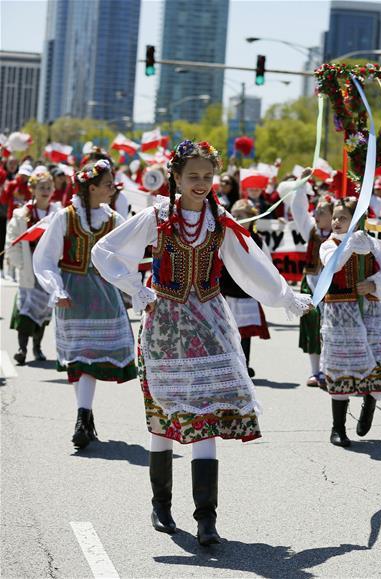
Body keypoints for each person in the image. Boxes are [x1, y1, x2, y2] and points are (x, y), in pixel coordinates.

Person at [91, 140, 312, 545]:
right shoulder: (156, 217)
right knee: (166, 413)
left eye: (208, 177)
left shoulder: (220, 219)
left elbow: (251, 263)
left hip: (209, 321)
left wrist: (284, 296)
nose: (201, 183)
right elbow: (105, 250)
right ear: (174, 177)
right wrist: (133, 288)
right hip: (165, 324)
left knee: (208, 409)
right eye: (193, 176)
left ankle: (206, 517)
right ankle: (161, 505)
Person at [32, 160, 137, 449]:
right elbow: (44, 259)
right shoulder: (66, 217)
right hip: (74, 295)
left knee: (86, 359)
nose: (112, 188)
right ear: (92, 188)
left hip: (104, 297)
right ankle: (84, 416)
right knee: (81, 359)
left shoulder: (114, 218)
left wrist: (134, 290)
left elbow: (127, 257)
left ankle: (83, 416)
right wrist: (56, 289)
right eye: (107, 184)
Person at [319, 197, 381, 447]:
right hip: (341, 312)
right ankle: (338, 427)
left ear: (356, 220)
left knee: (378, 359)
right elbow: (332, 267)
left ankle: (370, 402)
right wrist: (350, 245)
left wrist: (373, 284)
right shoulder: (328, 245)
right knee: (341, 366)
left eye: (343, 217)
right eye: (334, 217)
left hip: (370, 311)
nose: (336, 221)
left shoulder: (374, 245)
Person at [4, 168, 61, 364]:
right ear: (33, 190)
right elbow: (12, 242)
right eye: (41, 187)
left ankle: (37, 347)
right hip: (29, 269)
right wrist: (20, 264)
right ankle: (22, 348)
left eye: (48, 187)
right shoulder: (22, 214)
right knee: (25, 310)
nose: (45, 190)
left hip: (49, 269)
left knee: (43, 311)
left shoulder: (58, 214)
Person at [288, 176, 333, 388]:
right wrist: (301, 183)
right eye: (316, 212)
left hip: (333, 286)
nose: (316, 214)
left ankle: (329, 370)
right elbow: (298, 210)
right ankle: (316, 372)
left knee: (330, 328)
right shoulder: (311, 230)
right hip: (312, 284)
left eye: (322, 213)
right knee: (313, 325)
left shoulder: (340, 234)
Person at [220, 199, 271, 378]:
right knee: (228, 331)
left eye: (241, 216)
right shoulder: (226, 236)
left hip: (247, 293)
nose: (236, 218)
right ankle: (229, 364)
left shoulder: (256, 240)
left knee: (245, 333)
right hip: (228, 290)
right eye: (234, 215)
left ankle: (244, 365)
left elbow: (267, 263)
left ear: (252, 218)